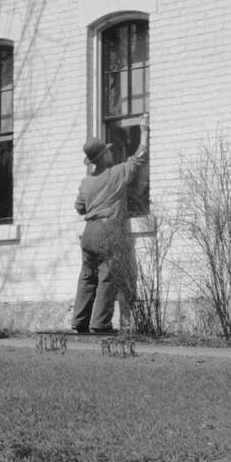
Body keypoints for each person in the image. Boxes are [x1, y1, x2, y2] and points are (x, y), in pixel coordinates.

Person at [71, 113, 149, 333]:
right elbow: (139, 157)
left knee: (87, 277)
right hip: (107, 230)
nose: (111, 153)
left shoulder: (86, 182)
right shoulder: (116, 174)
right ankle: (100, 323)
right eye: (107, 152)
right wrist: (144, 130)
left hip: (89, 233)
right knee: (107, 276)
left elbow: (79, 207)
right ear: (102, 157)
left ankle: (79, 321)